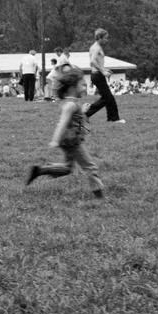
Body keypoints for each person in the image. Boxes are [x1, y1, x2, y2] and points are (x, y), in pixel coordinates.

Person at [25, 64, 103, 199]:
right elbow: (63, 122)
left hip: (69, 140)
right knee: (90, 168)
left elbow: (74, 120)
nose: (85, 88)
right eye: (82, 85)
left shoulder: (71, 103)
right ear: (73, 87)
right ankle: (99, 196)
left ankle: (40, 170)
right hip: (72, 141)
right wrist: (55, 140)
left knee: (67, 168)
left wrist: (83, 111)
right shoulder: (70, 105)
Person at [84, 28, 122, 123]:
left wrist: (105, 69)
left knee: (107, 98)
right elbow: (92, 61)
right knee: (108, 98)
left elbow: (96, 62)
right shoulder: (96, 48)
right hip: (98, 75)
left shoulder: (94, 47)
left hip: (96, 75)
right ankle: (86, 114)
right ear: (100, 38)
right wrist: (103, 71)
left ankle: (112, 119)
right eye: (105, 38)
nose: (106, 40)